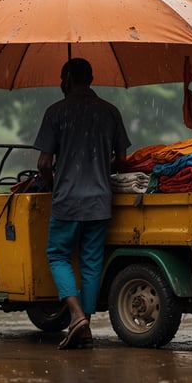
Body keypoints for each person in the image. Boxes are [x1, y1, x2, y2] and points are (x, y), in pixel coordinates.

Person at [34, 58, 131, 349]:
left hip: (68, 201)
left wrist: (53, 182)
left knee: (58, 255)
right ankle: (84, 325)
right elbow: (123, 161)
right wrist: (100, 163)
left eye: (61, 78)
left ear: (67, 79)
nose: (59, 84)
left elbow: (43, 162)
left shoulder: (56, 112)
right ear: (90, 78)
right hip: (100, 202)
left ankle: (76, 316)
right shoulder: (110, 112)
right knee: (91, 262)